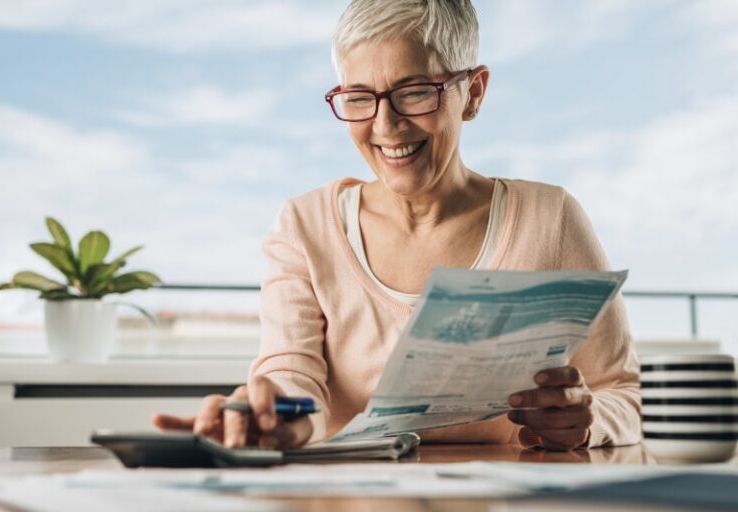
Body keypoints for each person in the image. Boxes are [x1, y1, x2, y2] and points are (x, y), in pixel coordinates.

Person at [153, 0, 641, 452]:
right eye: (360, 98)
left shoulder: (549, 218)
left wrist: (589, 420)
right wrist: (278, 417)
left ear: (473, 93)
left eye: (414, 92)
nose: (386, 125)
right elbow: (292, 373)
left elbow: (624, 392)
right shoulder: (304, 227)